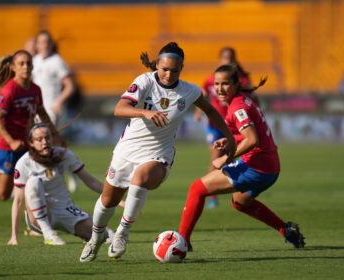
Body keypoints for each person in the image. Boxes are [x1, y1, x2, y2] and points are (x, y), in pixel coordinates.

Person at [79, 42, 237, 262]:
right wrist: (145, 113)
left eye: (174, 70)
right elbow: (120, 108)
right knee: (108, 201)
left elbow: (210, 109)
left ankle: (122, 234)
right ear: (157, 65)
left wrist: (229, 136)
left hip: (159, 153)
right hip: (127, 150)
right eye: (164, 69)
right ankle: (95, 239)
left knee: (140, 179)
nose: (168, 74)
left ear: (181, 68)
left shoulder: (190, 91)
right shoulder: (144, 81)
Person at [178, 64, 305, 252]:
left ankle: (181, 242)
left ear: (236, 84)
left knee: (196, 189)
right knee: (240, 202)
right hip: (270, 168)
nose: (220, 89)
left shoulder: (237, 106)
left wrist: (226, 158)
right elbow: (250, 135)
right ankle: (286, 229)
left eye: (225, 84)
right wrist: (229, 140)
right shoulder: (243, 100)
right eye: (217, 84)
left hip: (257, 167)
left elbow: (252, 139)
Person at [0, 50, 62, 216]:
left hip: (27, 146)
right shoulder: (9, 91)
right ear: (13, 67)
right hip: (6, 148)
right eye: (21, 64)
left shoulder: (35, 90)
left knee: (34, 185)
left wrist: (55, 135)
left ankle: (34, 225)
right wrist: (11, 141)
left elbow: (42, 113)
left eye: (28, 63)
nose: (26, 67)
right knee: (3, 194)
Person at [10, 123, 119, 245]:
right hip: (38, 216)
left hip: (64, 209)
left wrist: (115, 198)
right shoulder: (24, 163)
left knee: (107, 237)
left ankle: (83, 235)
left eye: (47, 137)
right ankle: (48, 234)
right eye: (39, 139)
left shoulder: (64, 154)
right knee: (33, 182)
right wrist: (14, 236)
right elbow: (18, 201)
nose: (45, 142)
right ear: (31, 143)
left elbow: (90, 180)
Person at [195, 47, 256, 209]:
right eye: (224, 58)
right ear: (220, 60)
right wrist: (199, 111)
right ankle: (211, 195)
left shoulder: (242, 80)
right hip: (215, 126)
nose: (227, 61)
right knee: (217, 157)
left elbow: (253, 97)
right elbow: (202, 97)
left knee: (234, 158)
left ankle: (240, 189)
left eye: (230, 58)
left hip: (236, 126)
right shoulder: (211, 80)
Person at [32, 30, 80, 193]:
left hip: (52, 109)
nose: (44, 45)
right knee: (49, 143)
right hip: (37, 110)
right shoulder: (34, 61)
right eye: (41, 42)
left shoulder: (57, 61)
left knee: (48, 143)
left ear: (51, 44)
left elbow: (70, 86)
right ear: (37, 45)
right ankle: (71, 169)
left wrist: (59, 102)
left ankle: (55, 176)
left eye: (47, 42)